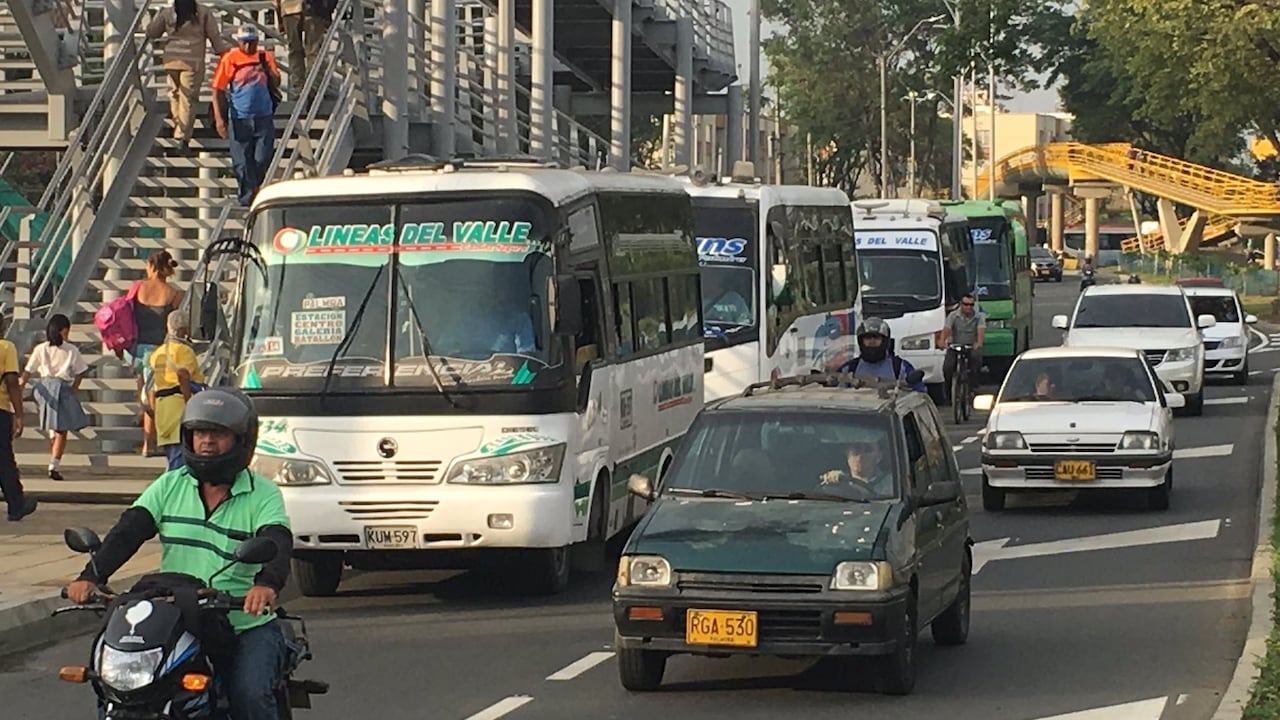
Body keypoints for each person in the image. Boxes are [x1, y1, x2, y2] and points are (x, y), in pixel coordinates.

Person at [66, 388, 293, 720]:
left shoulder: (263, 495)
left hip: (244, 621)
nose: (206, 442)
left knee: (249, 695)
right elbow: (129, 532)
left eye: (217, 433)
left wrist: (266, 585)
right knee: (115, 687)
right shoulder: (170, 484)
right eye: (199, 432)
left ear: (242, 440)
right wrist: (91, 576)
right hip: (181, 617)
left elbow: (277, 541)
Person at [121, 251, 184, 457]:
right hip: (159, 350)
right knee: (153, 394)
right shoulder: (174, 293)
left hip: (136, 349)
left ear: (151, 266)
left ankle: (147, 436)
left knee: (144, 392)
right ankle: (150, 443)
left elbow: (124, 309)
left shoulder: (138, 287)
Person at [212, 24, 282, 207]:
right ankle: (246, 198)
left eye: (252, 42)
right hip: (239, 117)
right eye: (245, 43)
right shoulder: (231, 59)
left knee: (262, 158)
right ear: (239, 42)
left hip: (263, 116)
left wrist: (267, 69)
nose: (248, 47)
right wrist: (220, 119)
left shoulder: (264, 57)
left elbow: (276, 80)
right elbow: (217, 89)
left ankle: (256, 189)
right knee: (242, 163)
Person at [145, 0, 229, 151]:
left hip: (171, 60)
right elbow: (214, 35)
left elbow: (152, 32)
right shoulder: (202, 12)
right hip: (193, 61)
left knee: (175, 94)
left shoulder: (168, 12)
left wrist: (156, 18)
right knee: (188, 98)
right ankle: (182, 137)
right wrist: (222, 52)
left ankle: (178, 125)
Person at [19, 314, 89, 481]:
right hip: (62, 386)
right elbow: (80, 371)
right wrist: (74, 388)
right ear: (63, 330)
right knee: (61, 430)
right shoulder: (71, 349)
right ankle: (54, 464)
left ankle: (53, 454)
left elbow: (28, 371)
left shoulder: (41, 348)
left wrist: (20, 387)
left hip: (43, 386)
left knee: (53, 423)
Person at [148, 312, 207, 470]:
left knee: (171, 453)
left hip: (163, 407)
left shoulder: (157, 353)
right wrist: (189, 401)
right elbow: (184, 376)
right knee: (180, 457)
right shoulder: (184, 351)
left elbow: (147, 383)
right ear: (183, 330)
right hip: (178, 403)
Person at [835, 317, 926, 392]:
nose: (872, 341)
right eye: (867, 338)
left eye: (876, 337)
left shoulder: (900, 367)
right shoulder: (849, 368)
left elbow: (919, 395)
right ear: (861, 341)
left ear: (885, 341)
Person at [0, 315, 33, 521]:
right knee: (4, 459)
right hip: (0, 409)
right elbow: (12, 381)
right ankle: (16, 504)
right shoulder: (6, 347)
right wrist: (19, 414)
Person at [274, 0, 337, 95]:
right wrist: (328, 12)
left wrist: (280, 18)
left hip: (289, 9)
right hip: (314, 9)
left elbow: (276, 2)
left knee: (295, 50)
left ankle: (298, 86)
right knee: (314, 51)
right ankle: (313, 85)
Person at [940, 293, 985, 398]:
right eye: (966, 304)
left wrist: (979, 343)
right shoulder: (953, 316)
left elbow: (981, 331)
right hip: (955, 346)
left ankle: (973, 387)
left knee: (976, 359)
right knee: (947, 367)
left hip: (971, 346)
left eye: (971, 305)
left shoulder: (978, 317)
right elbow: (947, 329)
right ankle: (948, 392)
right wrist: (942, 341)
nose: (968, 307)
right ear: (961, 304)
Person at [819, 440, 893, 496]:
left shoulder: (892, 484)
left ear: (879, 457)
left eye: (868, 449)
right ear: (847, 453)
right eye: (857, 448)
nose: (860, 455)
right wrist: (833, 481)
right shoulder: (836, 483)